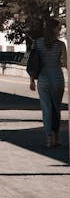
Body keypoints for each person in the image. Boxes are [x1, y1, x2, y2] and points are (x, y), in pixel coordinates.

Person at [29, 18, 67, 148]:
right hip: (57, 79)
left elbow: (33, 63)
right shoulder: (61, 45)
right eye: (59, 28)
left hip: (43, 80)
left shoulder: (37, 43)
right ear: (53, 29)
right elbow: (66, 64)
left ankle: (49, 139)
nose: (60, 30)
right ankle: (57, 137)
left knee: (46, 109)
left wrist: (32, 80)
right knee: (56, 109)